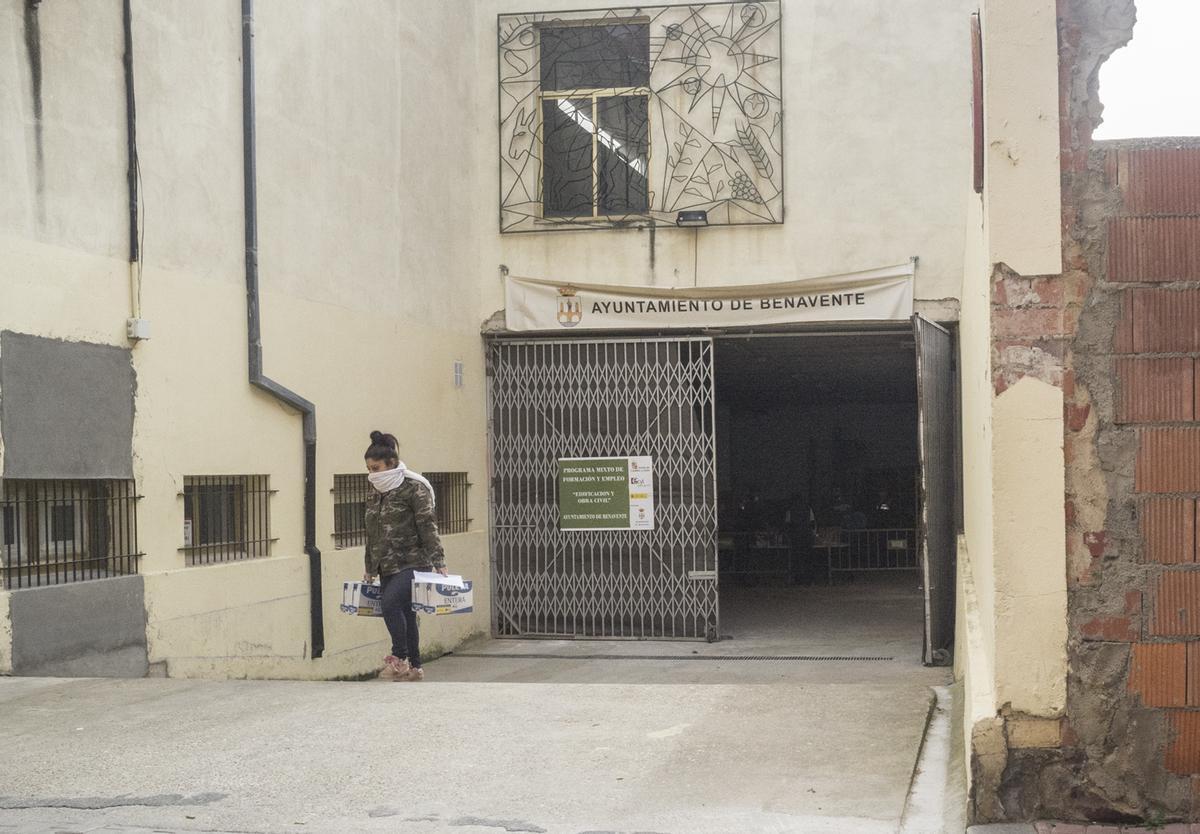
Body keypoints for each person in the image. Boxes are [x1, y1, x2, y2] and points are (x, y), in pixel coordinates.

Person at [362, 430, 447, 682]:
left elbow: (427, 525)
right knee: (407, 613)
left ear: (391, 463)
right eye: (369, 469)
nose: (372, 474)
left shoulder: (414, 488)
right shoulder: (375, 492)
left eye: (376, 468)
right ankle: (415, 667)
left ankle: (398, 658)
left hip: (413, 561)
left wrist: (439, 561)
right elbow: (371, 532)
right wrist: (370, 567)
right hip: (386, 564)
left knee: (390, 604)